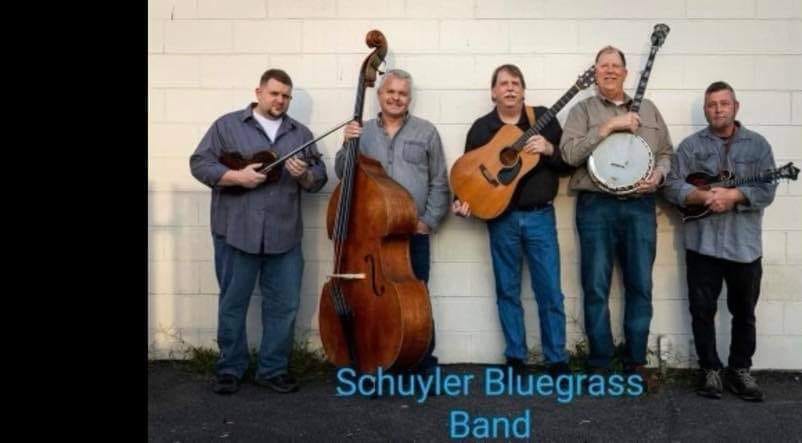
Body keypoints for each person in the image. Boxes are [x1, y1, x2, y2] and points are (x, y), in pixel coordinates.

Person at [189, 69, 328, 395]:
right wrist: (237, 178)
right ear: (259, 92)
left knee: (284, 304)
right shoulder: (227, 126)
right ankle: (229, 368)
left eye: (285, 96)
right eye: (274, 93)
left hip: (284, 235)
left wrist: (305, 174)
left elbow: (320, 177)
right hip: (236, 231)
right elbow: (199, 163)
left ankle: (273, 369)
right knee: (233, 302)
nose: (280, 100)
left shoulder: (301, 134)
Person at [559, 46, 674, 391]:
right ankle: (599, 365)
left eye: (615, 65)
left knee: (640, 284)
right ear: (596, 73)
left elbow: (666, 152)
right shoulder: (583, 110)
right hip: (597, 206)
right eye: (602, 66)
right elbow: (568, 154)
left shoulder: (649, 110)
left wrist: (661, 175)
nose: (609, 70)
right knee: (595, 286)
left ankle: (635, 362)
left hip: (640, 206)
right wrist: (608, 127)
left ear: (625, 72)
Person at [451, 64, 575, 377]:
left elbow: (567, 165)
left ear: (523, 90)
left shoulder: (542, 119)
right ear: (493, 92)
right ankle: (516, 357)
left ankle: (556, 359)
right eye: (503, 83)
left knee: (550, 291)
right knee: (507, 291)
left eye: (515, 83)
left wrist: (549, 149)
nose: (509, 88)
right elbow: (468, 176)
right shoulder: (482, 129)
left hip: (540, 218)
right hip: (501, 220)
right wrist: (461, 203)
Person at [663, 81, 777, 402]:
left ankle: (740, 370)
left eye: (724, 104)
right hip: (703, 245)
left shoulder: (758, 146)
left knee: (744, 312)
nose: (718, 110)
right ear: (705, 110)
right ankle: (709, 370)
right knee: (702, 310)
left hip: (745, 247)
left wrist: (735, 195)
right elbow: (671, 186)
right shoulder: (689, 147)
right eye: (712, 105)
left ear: (735, 107)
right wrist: (701, 196)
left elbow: (767, 189)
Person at [337, 69, 450, 378]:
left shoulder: (426, 132)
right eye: (391, 92)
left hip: (411, 234)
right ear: (379, 94)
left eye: (402, 93)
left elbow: (440, 182)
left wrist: (428, 222)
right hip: (370, 237)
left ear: (409, 98)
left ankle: (424, 364)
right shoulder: (363, 132)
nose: (396, 97)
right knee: (373, 300)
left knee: (417, 299)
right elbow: (342, 175)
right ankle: (376, 359)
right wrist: (347, 143)